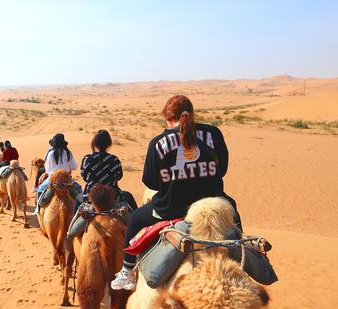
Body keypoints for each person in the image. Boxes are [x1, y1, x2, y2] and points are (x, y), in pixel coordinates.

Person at [111, 95, 241, 291]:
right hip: (212, 204)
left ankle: (127, 271)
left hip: (171, 208)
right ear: (192, 115)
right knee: (233, 211)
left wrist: (175, 178)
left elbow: (150, 180)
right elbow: (222, 170)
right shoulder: (214, 134)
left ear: (167, 117)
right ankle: (247, 255)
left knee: (137, 218)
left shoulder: (158, 142)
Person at [80, 130, 137, 210]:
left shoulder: (87, 159)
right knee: (133, 214)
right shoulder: (114, 160)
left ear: (94, 143)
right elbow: (119, 176)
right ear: (108, 144)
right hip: (113, 198)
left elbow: (84, 176)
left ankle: (72, 222)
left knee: (77, 203)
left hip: (90, 199)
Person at [35, 133, 80, 212]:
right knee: (79, 189)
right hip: (67, 180)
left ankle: (38, 210)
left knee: (40, 189)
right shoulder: (68, 153)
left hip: (53, 179)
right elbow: (75, 166)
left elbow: (47, 169)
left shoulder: (50, 153)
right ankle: (81, 210)